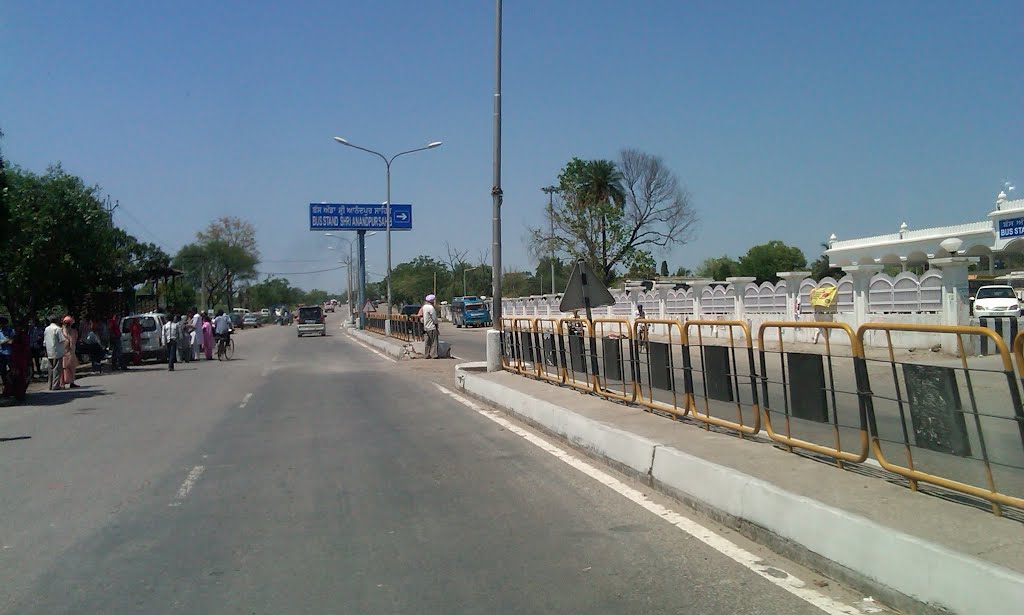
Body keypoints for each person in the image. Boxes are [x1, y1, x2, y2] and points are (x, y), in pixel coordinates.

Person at [6, 322, 30, 402]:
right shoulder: (20, 336)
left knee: (19, 377)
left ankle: (18, 394)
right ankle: (18, 394)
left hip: (18, 359)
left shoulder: (20, 336)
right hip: (18, 359)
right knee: (18, 377)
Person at [44, 316, 65, 390]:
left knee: (50, 369)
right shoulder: (58, 329)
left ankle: (50, 385)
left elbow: (45, 341)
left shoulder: (46, 329)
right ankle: (55, 385)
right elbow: (62, 340)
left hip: (49, 350)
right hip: (57, 351)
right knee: (57, 369)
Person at [62, 316, 80, 389]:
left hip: (68, 351)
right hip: (67, 352)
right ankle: (65, 383)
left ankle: (69, 382)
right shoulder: (64, 331)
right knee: (65, 368)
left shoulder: (70, 331)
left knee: (69, 368)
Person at [421, 294, 439, 359]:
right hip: (432, 327)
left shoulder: (424, 307)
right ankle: (434, 355)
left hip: (425, 327)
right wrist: (436, 325)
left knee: (427, 342)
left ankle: (426, 354)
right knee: (434, 341)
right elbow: (434, 318)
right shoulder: (431, 308)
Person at [0, 317, 14, 391]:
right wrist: (6, 341)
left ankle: (12, 386)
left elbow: (12, 341)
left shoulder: (11, 331)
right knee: (3, 372)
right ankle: (6, 387)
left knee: (12, 370)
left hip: (9, 353)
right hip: (2, 354)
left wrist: (4, 342)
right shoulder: (0, 332)